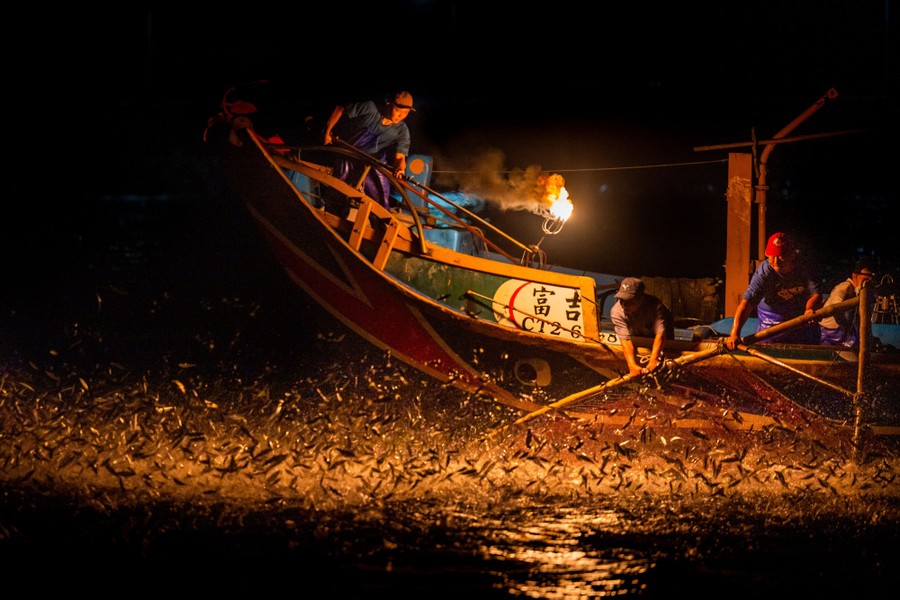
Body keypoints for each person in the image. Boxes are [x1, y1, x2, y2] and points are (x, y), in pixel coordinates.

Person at [724, 232, 823, 350]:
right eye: (772, 256)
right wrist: (734, 333)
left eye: (781, 256)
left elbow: (815, 294)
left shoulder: (804, 267)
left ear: (792, 255)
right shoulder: (765, 272)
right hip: (770, 325)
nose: (775, 262)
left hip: (800, 322)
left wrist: (809, 308)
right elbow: (747, 303)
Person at [322, 90, 416, 211]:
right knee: (340, 185)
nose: (401, 115)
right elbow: (340, 109)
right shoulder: (370, 108)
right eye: (398, 110)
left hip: (373, 160)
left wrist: (400, 168)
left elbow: (400, 157)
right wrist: (327, 131)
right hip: (349, 152)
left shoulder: (402, 131)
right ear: (389, 104)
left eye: (406, 112)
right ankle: (333, 216)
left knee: (380, 193)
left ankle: (381, 225)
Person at [609, 277, 675, 377]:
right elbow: (626, 341)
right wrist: (632, 366)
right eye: (621, 300)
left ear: (641, 298)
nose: (624, 305)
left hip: (663, 337)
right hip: (638, 335)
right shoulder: (616, 311)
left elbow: (660, 334)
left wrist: (654, 359)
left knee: (666, 359)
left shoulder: (655, 306)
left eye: (629, 301)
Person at [819, 258, 877, 348]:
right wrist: (847, 328)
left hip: (845, 329)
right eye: (865, 279)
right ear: (854, 276)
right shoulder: (844, 288)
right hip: (830, 331)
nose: (867, 283)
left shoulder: (861, 292)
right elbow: (835, 310)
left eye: (870, 280)